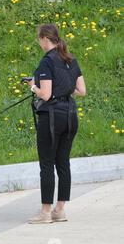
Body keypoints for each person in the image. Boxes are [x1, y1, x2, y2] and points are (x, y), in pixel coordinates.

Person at [27, 24, 86, 224]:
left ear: (45, 38)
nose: (39, 42)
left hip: (52, 118)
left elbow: (45, 94)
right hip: (70, 115)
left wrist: (33, 86)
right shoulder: (70, 60)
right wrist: (63, 90)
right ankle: (60, 209)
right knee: (63, 163)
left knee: (46, 164)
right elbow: (81, 90)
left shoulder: (46, 62)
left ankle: (45, 212)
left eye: (39, 39)